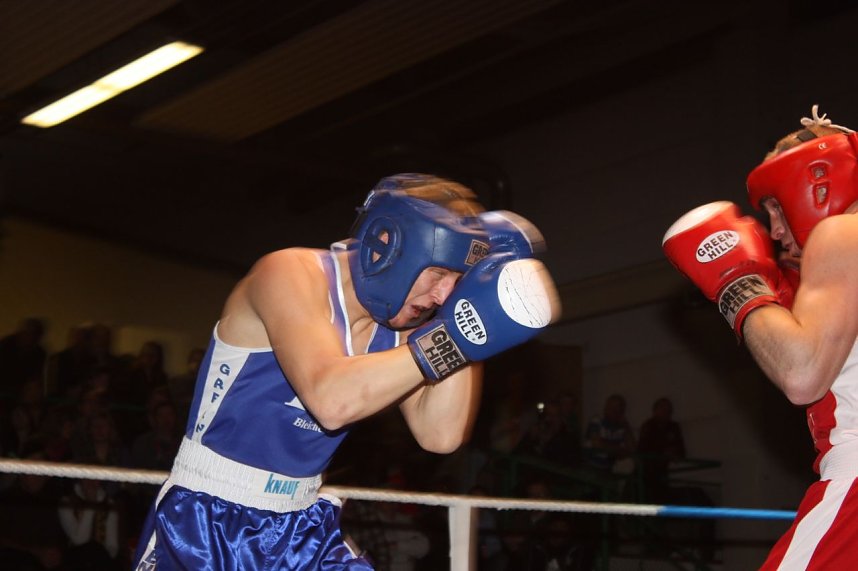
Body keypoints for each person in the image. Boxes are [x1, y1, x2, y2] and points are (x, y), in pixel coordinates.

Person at [131, 173, 560, 570]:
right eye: (440, 274)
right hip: (208, 519)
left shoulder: (401, 324)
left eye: (457, 281)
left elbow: (440, 434)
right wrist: (451, 335)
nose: (442, 294)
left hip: (302, 524)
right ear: (392, 248)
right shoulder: (289, 273)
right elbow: (332, 401)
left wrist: (469, 315)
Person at [663, 105, 858, 569]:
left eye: (776, 203)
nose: (773, 229)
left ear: (816, 181)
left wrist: (736, 282)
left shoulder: (842, 234)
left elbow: (802, 373)